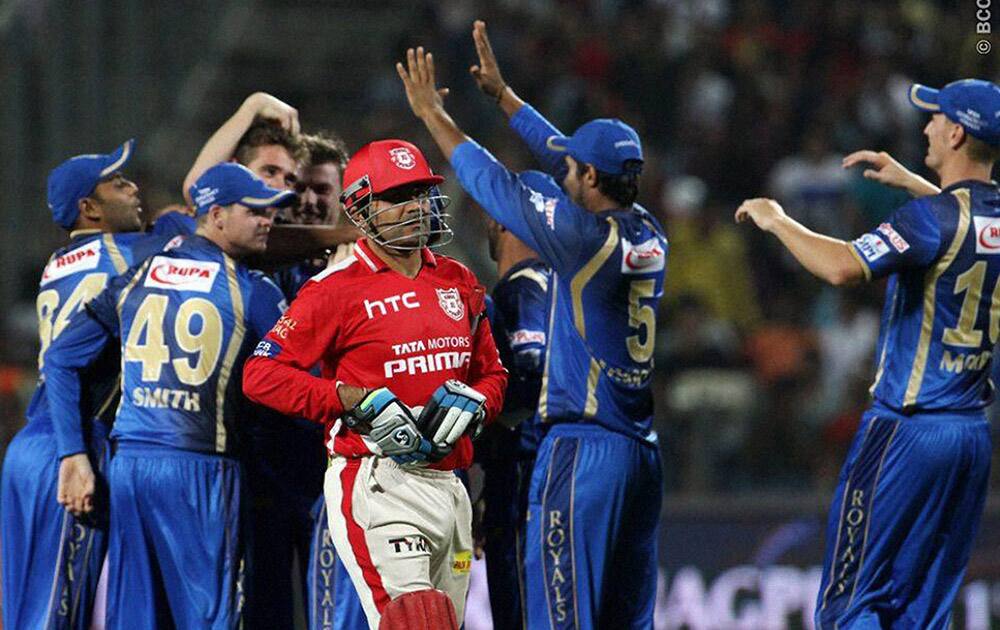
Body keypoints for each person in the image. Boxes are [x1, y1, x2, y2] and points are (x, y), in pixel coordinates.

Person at [396, 22, 667, 628]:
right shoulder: (647, 229)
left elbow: (490, 180)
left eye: (575, 168)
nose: (564, 168)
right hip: (641, 452)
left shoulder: (575, 240)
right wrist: (505, 97)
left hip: (583, 448)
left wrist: (432, 115)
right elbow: (562, 157)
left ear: (590, 181)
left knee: (559, 616)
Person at [735, 79, 1000, 628]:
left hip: (906, 430)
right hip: (970, 437)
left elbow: (841, 266)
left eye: (935, 118)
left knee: (851, 601)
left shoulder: (928, 221)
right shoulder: (976, 218)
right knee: (922, 612)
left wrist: (776, 219)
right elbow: (970, 223)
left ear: (955, 133)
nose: (925, 125)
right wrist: (916, 182)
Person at [242, 138, 508, 629]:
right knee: (415, 621)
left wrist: (479, 405)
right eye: (397, 196)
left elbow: (492, 373)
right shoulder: (333, 290)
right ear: (361, 207)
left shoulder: (460, 281)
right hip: (378, 480)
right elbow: (261, 376)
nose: (415, 206)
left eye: (420, 192)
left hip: (452, 487)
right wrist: (341, 398)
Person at [43, 162, 295, 628]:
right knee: (211, 618)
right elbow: (298, 377)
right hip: (203, 468)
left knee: (136, 618)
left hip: (131, 468)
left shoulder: (139, 274)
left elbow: (59, 358)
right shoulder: (252, 290)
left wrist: (73, 454)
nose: (269, 221)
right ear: (216, 214)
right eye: (255, 211)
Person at [0, 140, 143, 630]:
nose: (134, 188)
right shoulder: (132, 254)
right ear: (90, 207)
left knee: (24, 609)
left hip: (28, 447)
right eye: (119, 183)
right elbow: (204, 219)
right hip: (73, 441)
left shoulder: (57, 263)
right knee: (60, 613)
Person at [478, 217, 549, 629]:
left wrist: (482, 425)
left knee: (520, 609)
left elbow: (529, 367)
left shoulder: (522, 287)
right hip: (551, 468)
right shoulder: (563, 284)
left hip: (525, 471)